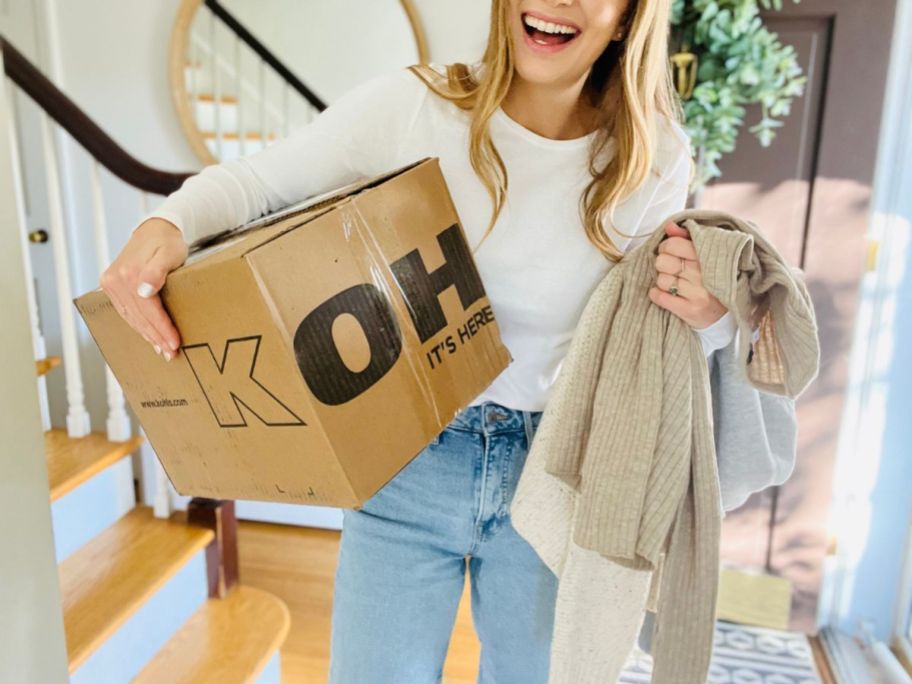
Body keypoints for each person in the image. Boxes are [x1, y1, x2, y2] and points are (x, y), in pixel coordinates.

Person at [101, 0, 736, 681]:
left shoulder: (652, 157)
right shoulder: (416, 106)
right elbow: (257, 183)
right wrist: (167, 224)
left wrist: (713, 315)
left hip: (554, 473)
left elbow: (656, 339)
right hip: (408, 459)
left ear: (628, 18)